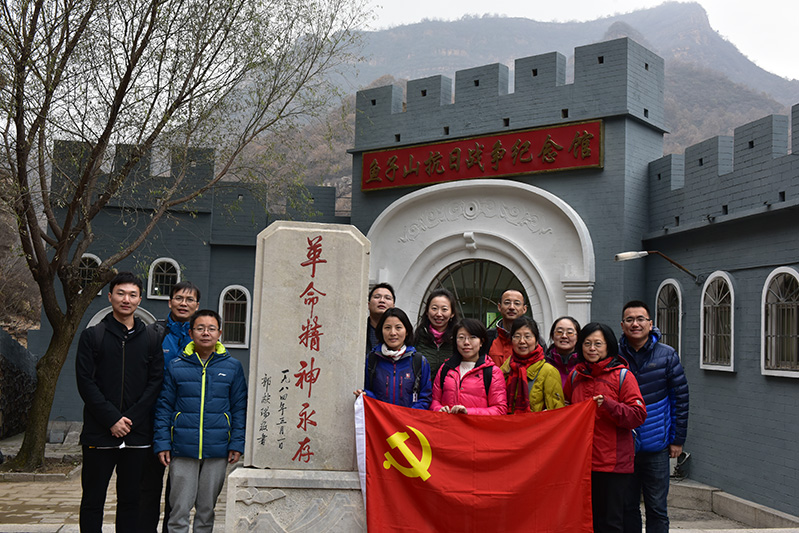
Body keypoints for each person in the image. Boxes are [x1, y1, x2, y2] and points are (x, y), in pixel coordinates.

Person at [75, 272, 164, 533]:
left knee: (131, 501)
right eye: (121, 293)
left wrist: (130, 419)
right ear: (110, 296)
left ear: (140, 299)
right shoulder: (93, 336)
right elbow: (85, 382)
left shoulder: (151, 338)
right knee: (93, 501)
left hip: (137, 435)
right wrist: (112, 419)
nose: (127, 299)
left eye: (133, 295)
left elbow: (155, 382)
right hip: (99, 433)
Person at [153, 309, 247, 533]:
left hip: (217, 449)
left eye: (211, 328)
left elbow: (239, 408)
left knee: (206, 511)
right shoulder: (177, 365)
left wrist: (236, 443)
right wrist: (163, 443)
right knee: (179, 510)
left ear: (219, 333)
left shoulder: (232, 367)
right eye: (200, 328)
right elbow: (164, 407)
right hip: (182, 448)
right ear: (191, 332)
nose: (206, 333)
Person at [564, 323, 647, 533]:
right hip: (582, 463)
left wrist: (609, 405)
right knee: (587, 520)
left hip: (614, 464)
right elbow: (566, 410)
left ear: (608, 346)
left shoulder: (623, 376)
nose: (592, 348)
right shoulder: (575, 376)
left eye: (598, 344)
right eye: (587, 343)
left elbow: (638, 415)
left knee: (612, 522)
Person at [618, 300, 689, 533]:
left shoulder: (667, 355)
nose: (635, 324)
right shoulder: (614, 355)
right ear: (622, 325)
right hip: (624, 446)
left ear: (650, 323)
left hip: (657, 446)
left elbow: (680, 399)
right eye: (629, 320)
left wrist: (677, 439)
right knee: (627, 507)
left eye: (640, 319)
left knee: (657, 508)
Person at [139, 281, 201, 533]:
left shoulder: (202, 336)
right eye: (179, 298)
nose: (184, 304)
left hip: (187, 423)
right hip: (153, 421)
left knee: (179, 492)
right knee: (148, 488)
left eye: (189, 300)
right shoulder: (153, 333)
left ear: (197, 305)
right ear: (170, 302)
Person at [354, 307, 432, 409]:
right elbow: (368, 390)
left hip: (409, 419)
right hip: (381, 418)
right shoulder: (372, 360)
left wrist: (406, 415)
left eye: (398, 327)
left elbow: (425, 398)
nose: (393, 333)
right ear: (381, 331)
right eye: (387, 328)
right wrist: (366, 395)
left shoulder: (419, 361)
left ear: (407, 331)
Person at [431, 318, 507, 415]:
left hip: (476, 425)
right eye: (461, 337)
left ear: (481, 342)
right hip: (448, 424)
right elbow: (434, 401)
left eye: (472, 337)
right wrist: (438, 408)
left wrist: (468, 412)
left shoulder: (492, 372)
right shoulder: (445, 368)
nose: (466, 342)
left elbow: (500, 409)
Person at [501, 316, 565, 413]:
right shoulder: (505, 369)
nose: (522, 341)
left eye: (527, 336)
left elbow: (556, 412)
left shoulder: (548, 371)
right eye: (517, 336)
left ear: (536, 341)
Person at [414, 288, 459, 380]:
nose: (438, 314)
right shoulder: (417, 338)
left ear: (452, 313)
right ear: (427, 311)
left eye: (444, 309)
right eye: (434, 308)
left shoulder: (458, 340)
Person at [487, 289, 528, 367]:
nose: (511, 307)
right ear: (499, 307)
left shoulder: (534, 339)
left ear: (524, 309)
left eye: (517, 303)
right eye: (507, 303)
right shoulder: (488, 337)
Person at [545, 316, 582, 388]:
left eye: (570, 333)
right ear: (552, 336)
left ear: (578, 337)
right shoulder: (543, 363)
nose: (564, 336)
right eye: (559, 332)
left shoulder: (584, 366)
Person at [366, 282, 395, 354]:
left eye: (387, 298)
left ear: (393, 306)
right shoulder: (360, 329)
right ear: (368, 304)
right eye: (377, 297)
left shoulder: (398, 333)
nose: (382, 300)